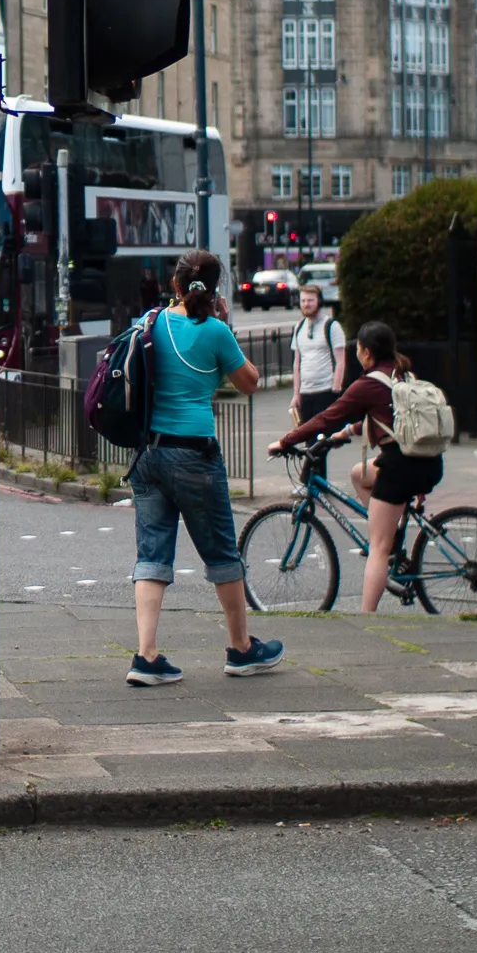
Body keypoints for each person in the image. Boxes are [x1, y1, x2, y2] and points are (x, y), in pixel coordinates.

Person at [125, 249, 282, 687]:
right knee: (221, 552)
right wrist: (225, 327)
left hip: (148, 455)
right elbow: (249, 383)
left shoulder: (150, 322)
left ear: (174, 286)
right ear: (215, 290)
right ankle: (241, 648)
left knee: (152, 554)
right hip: (194, 455)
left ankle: (146, 656)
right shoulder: (215, 331)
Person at [271, 319, 446, 612]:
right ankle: (392, 533)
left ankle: (367, 620)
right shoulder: (404, 375)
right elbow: (389, 419)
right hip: (429, 462)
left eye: (359, 349)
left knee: (377, 548)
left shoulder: (367, 385)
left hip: (400, 469)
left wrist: (285, 441)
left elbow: (327, 417)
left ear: (366, 353)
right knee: (358, 474)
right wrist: (347, 433)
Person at [289, 283, 346, 427]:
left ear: (319, 302)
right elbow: (297, 364)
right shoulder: (299, 328)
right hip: (305, 393)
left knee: (323, 436)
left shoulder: (332, 326)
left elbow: (341, 361)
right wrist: (296, 394)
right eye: (303, 301)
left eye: (310, 300)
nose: (306, 304)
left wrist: (336, 390)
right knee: (307, 436)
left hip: (326, 391)